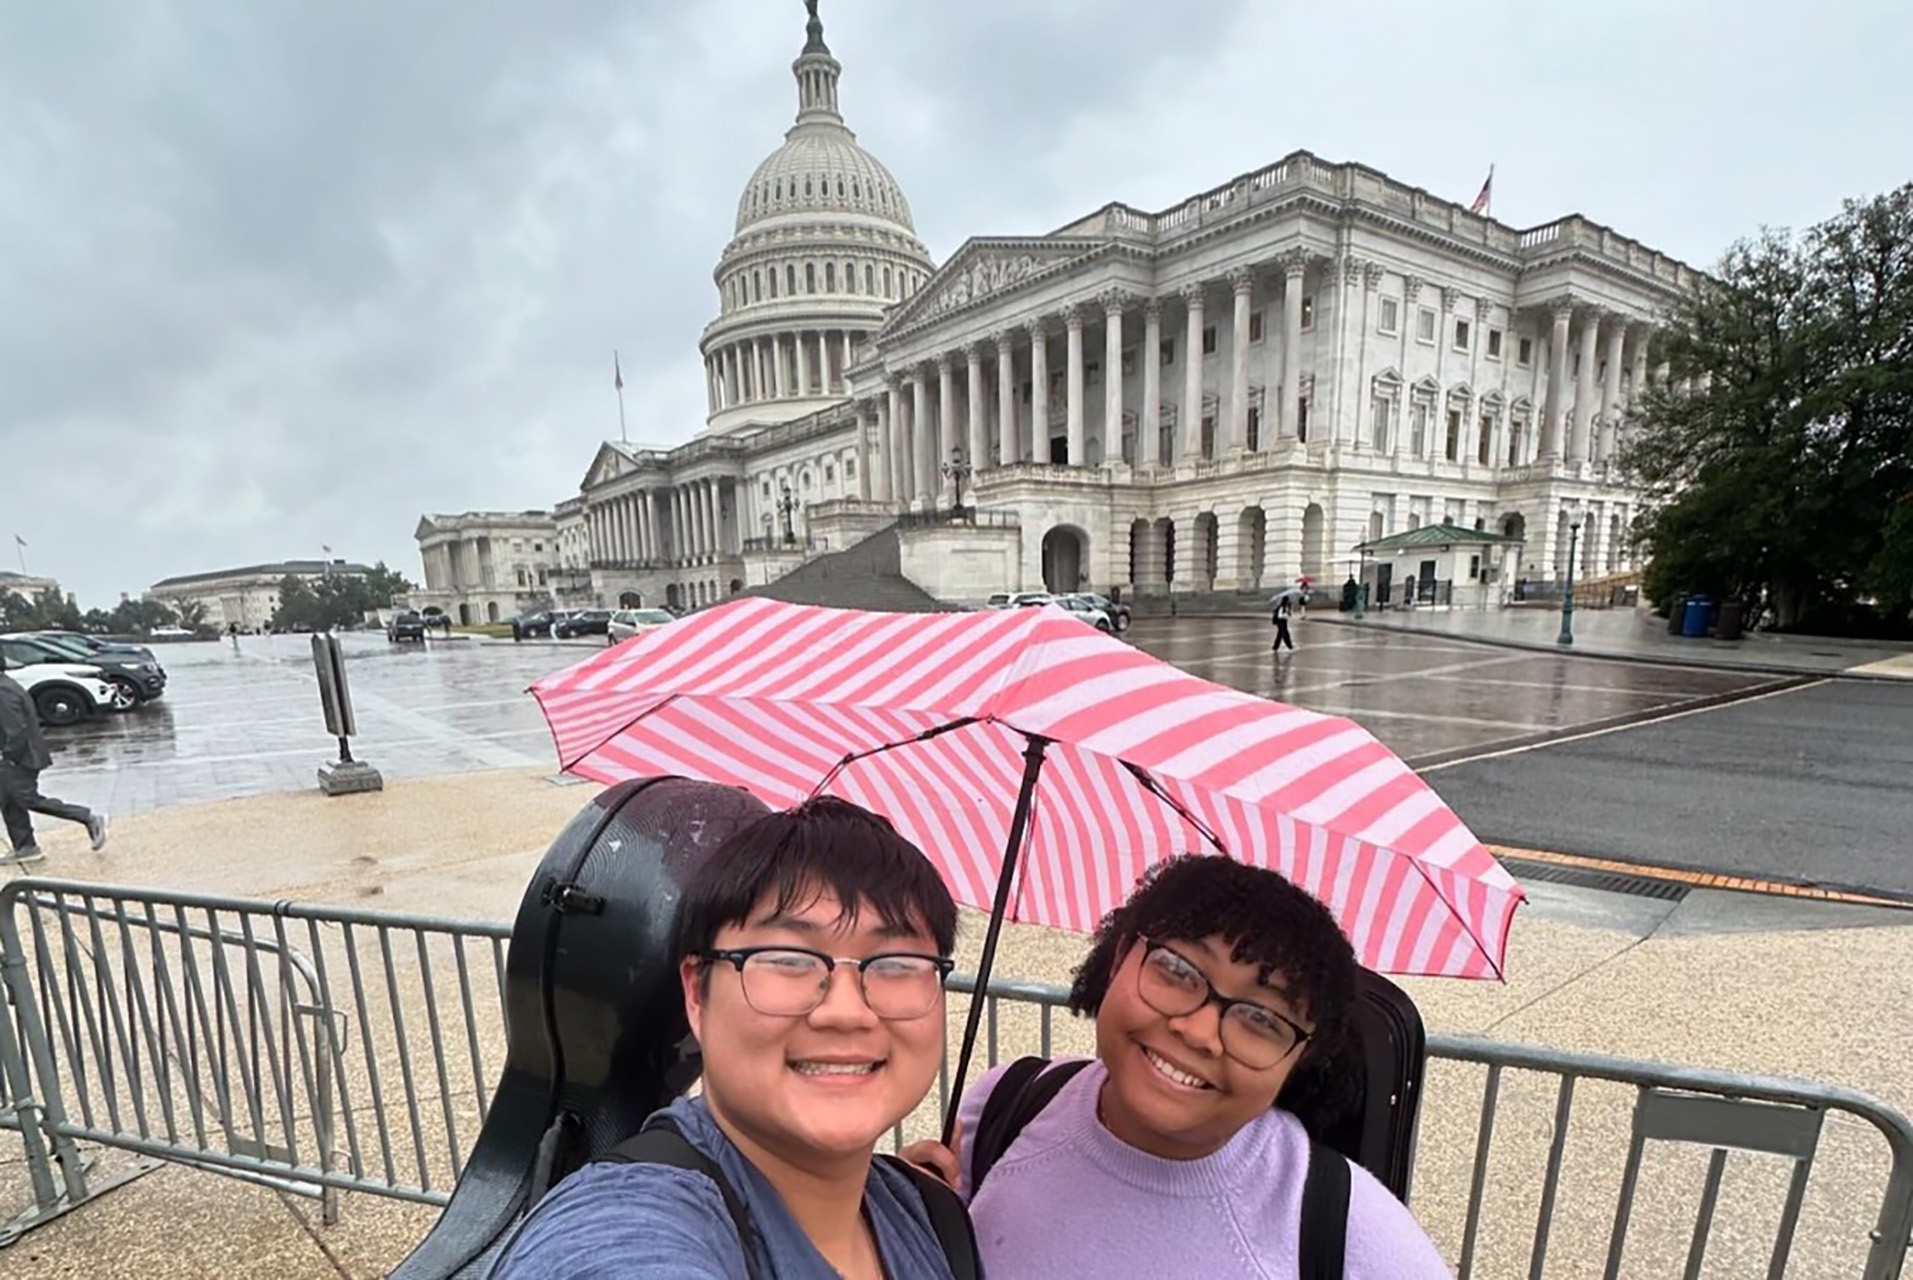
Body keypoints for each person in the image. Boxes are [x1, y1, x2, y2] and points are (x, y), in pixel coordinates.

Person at [906, 856, 1451, 1278]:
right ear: (1119, 957)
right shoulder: (1009, 1104)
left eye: (1261, 1020)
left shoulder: (1353, 1233)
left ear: (1299, 1058)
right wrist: (893, 1213)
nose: (1198, 1032)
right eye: (1176, 970)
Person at [494, 796, 970, 1279]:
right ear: (698, 992)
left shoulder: (924, 1216)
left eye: (894, 964)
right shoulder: (619, 1230)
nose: (846, 1012)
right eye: (788, 959)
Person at [0, 654, 108, 865]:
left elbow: (17, 728)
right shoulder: (6, 685)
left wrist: (8, 755)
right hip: (19, 756)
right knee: (10, 801)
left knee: (26, 798)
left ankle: (87, 817)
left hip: (21, 757)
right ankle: (26, 847)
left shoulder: (3, 691)